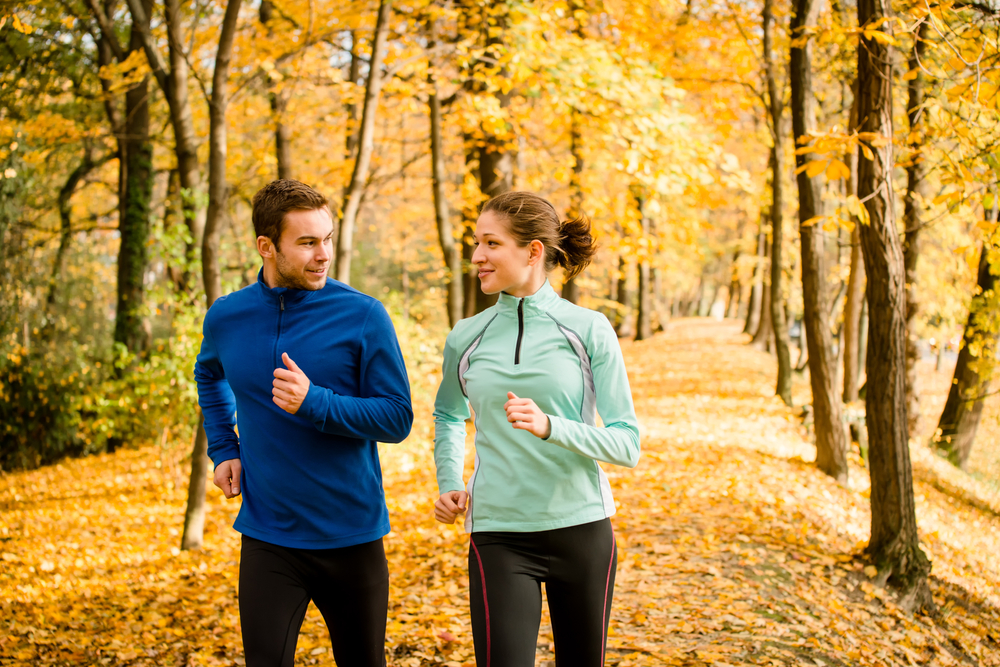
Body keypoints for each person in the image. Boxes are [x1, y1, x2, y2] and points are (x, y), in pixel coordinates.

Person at [194, 179, 413, 667]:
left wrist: (316, 402)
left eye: (328, 239)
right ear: (266, 247)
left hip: (351, 538)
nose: (323, 255)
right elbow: (208, 374)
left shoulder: (362, 315)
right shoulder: (227, 316)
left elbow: (397, 418)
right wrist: (224, 448)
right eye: (308, 242)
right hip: (269, 538)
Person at [432, 191, 641, 666]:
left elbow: (628, 444)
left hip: (582, 529)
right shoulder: (466, 335)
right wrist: (449, 482)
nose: (477, 256)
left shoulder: (588, 329)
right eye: (476, 243)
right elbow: (447, 414)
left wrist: (552, 427)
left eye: (491, 243)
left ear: (532, 251)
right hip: (498, 532)